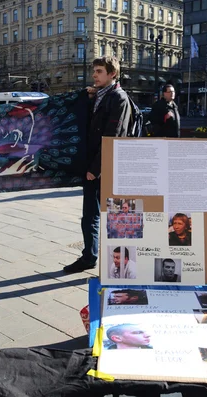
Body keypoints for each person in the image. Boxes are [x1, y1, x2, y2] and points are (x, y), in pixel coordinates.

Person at [64, 56, 132, 273]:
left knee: (116, 217)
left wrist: (96, 168)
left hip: (108, 168)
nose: (94, 75)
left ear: (113, 74)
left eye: (100, 71)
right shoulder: (99, 95)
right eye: (94, 70)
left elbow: (113, 136)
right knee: (90, 216)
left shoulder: (119, 98)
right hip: (94, 165)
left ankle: (123, 262)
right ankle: (89, 257)